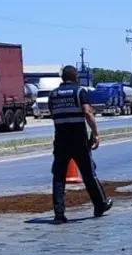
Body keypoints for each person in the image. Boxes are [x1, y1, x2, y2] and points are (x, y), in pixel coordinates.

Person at [47, 65, 112, 224]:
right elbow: (87, 112)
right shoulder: (79, 91)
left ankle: (59, 214)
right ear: (76, 78)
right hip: (78, 138)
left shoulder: (53, 94)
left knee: (59, 176)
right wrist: (95, 132)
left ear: (63, 78)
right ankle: (100, 204)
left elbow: (52, 113)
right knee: (88, 172)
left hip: (61, 139)